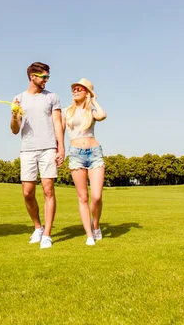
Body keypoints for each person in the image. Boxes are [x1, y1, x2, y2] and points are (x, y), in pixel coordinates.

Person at [10, 62, 65, 249]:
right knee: (27, 193)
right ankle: (38, 228)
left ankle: (47, 235)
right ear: (32, 76)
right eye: (44, 77)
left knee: (48, 190)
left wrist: (61, 147)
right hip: (27, 149)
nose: (46, 80)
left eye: (48, 77)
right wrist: (14, 115)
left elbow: (58, 123)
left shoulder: (52, 97)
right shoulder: (18, 98)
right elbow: (14, 130)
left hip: (48, 148)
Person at [62, 78, 107, 246]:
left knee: (96, 196)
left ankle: (96, 225)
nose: (75, 91)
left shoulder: (91, 111)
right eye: (74, 88)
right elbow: (59, 131)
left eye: (79, 89)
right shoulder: (67, 112)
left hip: (94, 153)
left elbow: (102, 115)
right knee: (83, 197)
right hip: (76, 154)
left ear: (87, 92)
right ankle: (89, 235)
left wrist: (93, 100)